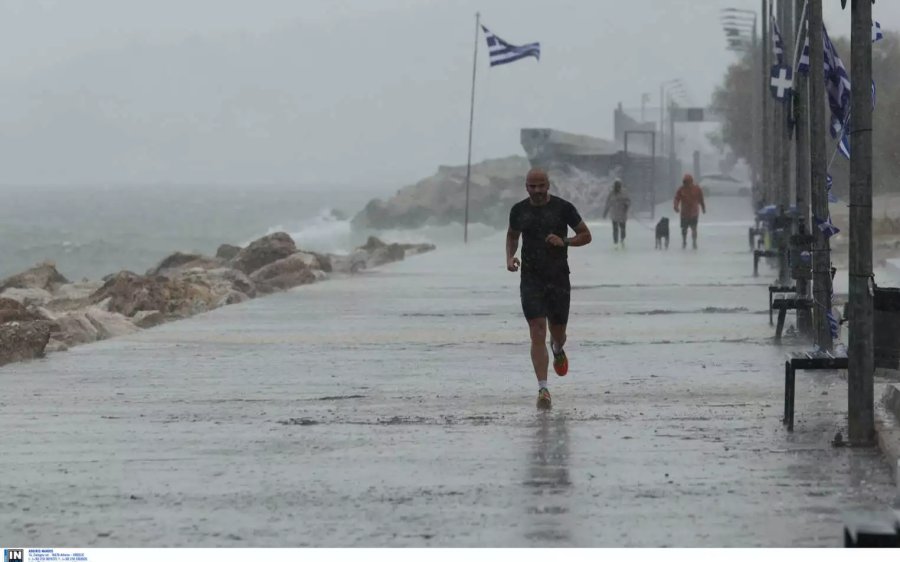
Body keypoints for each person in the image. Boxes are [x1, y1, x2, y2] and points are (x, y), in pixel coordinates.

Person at [507, 168, 592, 410]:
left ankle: (558, 349)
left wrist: (564, 241)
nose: (536, 191)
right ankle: (543, 388)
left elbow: (586, 235)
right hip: (530, 279)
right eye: (532, 186)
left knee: (558, 333)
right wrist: (509, 257)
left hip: (558, 279)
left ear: (548, 185)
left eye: (541, 186)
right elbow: (512, 235)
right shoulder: (518, 210)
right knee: (536, 331)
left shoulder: (563, 208)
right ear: (526, 187)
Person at [673, 173, 706, 250]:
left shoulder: (697, 189)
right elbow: (677, 198)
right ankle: (684, 241)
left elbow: (701, 199)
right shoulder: (681, 189)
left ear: (691, 181)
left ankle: (694, 241)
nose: (686, 184)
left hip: (693, 213)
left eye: (687, 182)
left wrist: (703, 207)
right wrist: (676, 206)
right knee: (684, 229)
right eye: (685, 182)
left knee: (694, 228)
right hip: (684, 213)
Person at [602, 179, 630, 249]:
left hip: (622, 214)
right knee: (615, 229)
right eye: (616, 186)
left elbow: (628, 201)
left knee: (623, 229)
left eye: (618, 186)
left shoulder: (624, 192)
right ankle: (615, 242)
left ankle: (622, 239)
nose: (617, 187)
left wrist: (626, 205)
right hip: (614, 214)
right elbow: (608, 203)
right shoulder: (611, 193)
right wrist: (605, 212)